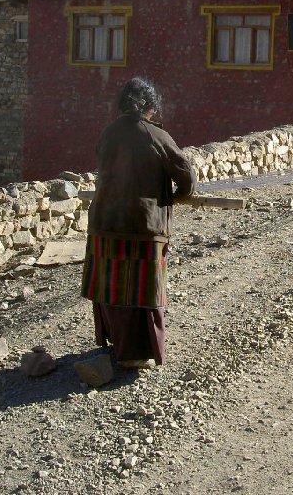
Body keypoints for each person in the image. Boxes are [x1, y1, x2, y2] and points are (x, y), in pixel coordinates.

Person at [81, 77, 196, 368]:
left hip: (105, 223)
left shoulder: (108, 133)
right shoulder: (155, 136)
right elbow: (186, 175)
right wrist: (177, 194)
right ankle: (138, 353)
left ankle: (117, 345)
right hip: (142, 227)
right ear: (150, 107)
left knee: (112, 285)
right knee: (141, 288)